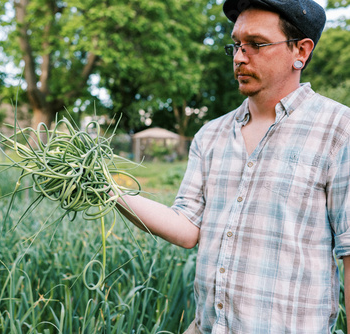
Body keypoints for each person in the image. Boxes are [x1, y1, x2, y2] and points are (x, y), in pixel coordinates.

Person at [116, 0, 350, 332]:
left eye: (256, 44)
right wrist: (106, 190)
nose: (240, 57)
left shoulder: (339, 129)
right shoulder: (210, 135)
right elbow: (185, 227)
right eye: (237, 45)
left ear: (301, 50)